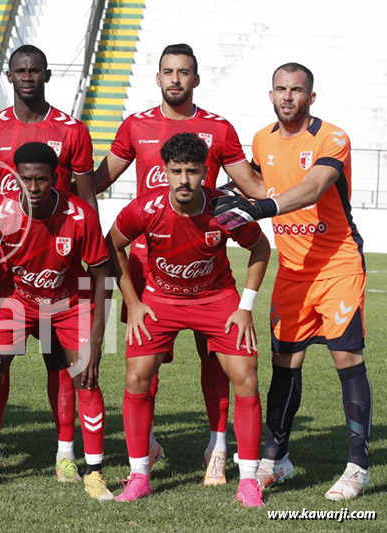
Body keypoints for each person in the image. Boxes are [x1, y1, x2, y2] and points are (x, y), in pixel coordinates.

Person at [92, 43, 261, 483]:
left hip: (204, 261)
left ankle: (218, 444)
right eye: (167, 71)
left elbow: (250, 185)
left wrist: (293, 189)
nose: (175, 79)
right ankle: (144, 446)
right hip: (147, 268)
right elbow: (100, 179)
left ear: (195, 78)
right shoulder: (136, 124)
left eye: (183, 72)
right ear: (158, 77)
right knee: (146, 363)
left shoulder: (217, 128)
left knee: (216, 360)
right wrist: (51, 177)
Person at [212, 63, 372, 501]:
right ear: (270, 94)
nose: (288, 97)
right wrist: (213, 194)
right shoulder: (262, 139)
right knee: (285, 365)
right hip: (293, 270)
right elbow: (254, 181)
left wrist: (260, 209)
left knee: (345, 358)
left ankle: (357, 467)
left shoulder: (331, 137)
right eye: (281, 89)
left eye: (297, 90)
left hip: (337, 264)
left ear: (311, 98)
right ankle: (276, 460)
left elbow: (312, 187)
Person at [109, 133, 270, 507]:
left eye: (193, 171)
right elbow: (113, 244)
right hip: (161, 299)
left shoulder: (224, 208)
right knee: (136, 376)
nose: (184, 180)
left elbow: (260, 247)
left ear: (205, 172)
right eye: (176, 171)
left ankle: (248, 481)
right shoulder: (145, 208)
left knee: (246, 377)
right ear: (163, 171)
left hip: (216, 299)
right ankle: (139, 476)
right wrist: (133, 303)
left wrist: (245, 306)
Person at [0, 44, 97, 481]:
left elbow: (86, 198)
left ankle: (65, 453)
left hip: (55, 260)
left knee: (60, 362)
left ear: (47, 74)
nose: (27, 77)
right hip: (3, 267)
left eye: (35, 70)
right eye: (20, 70)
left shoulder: (72, 129)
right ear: (8, 75)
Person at [0, 142, 112, 500]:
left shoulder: (80, 215)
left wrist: (96, 341)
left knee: (85, 377)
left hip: (67, 303)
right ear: (15, 179)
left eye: (41, 179)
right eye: (26, 179)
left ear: (56, 179)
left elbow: (103, 276)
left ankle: (95, 472)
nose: (33, 187)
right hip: (18, 301)